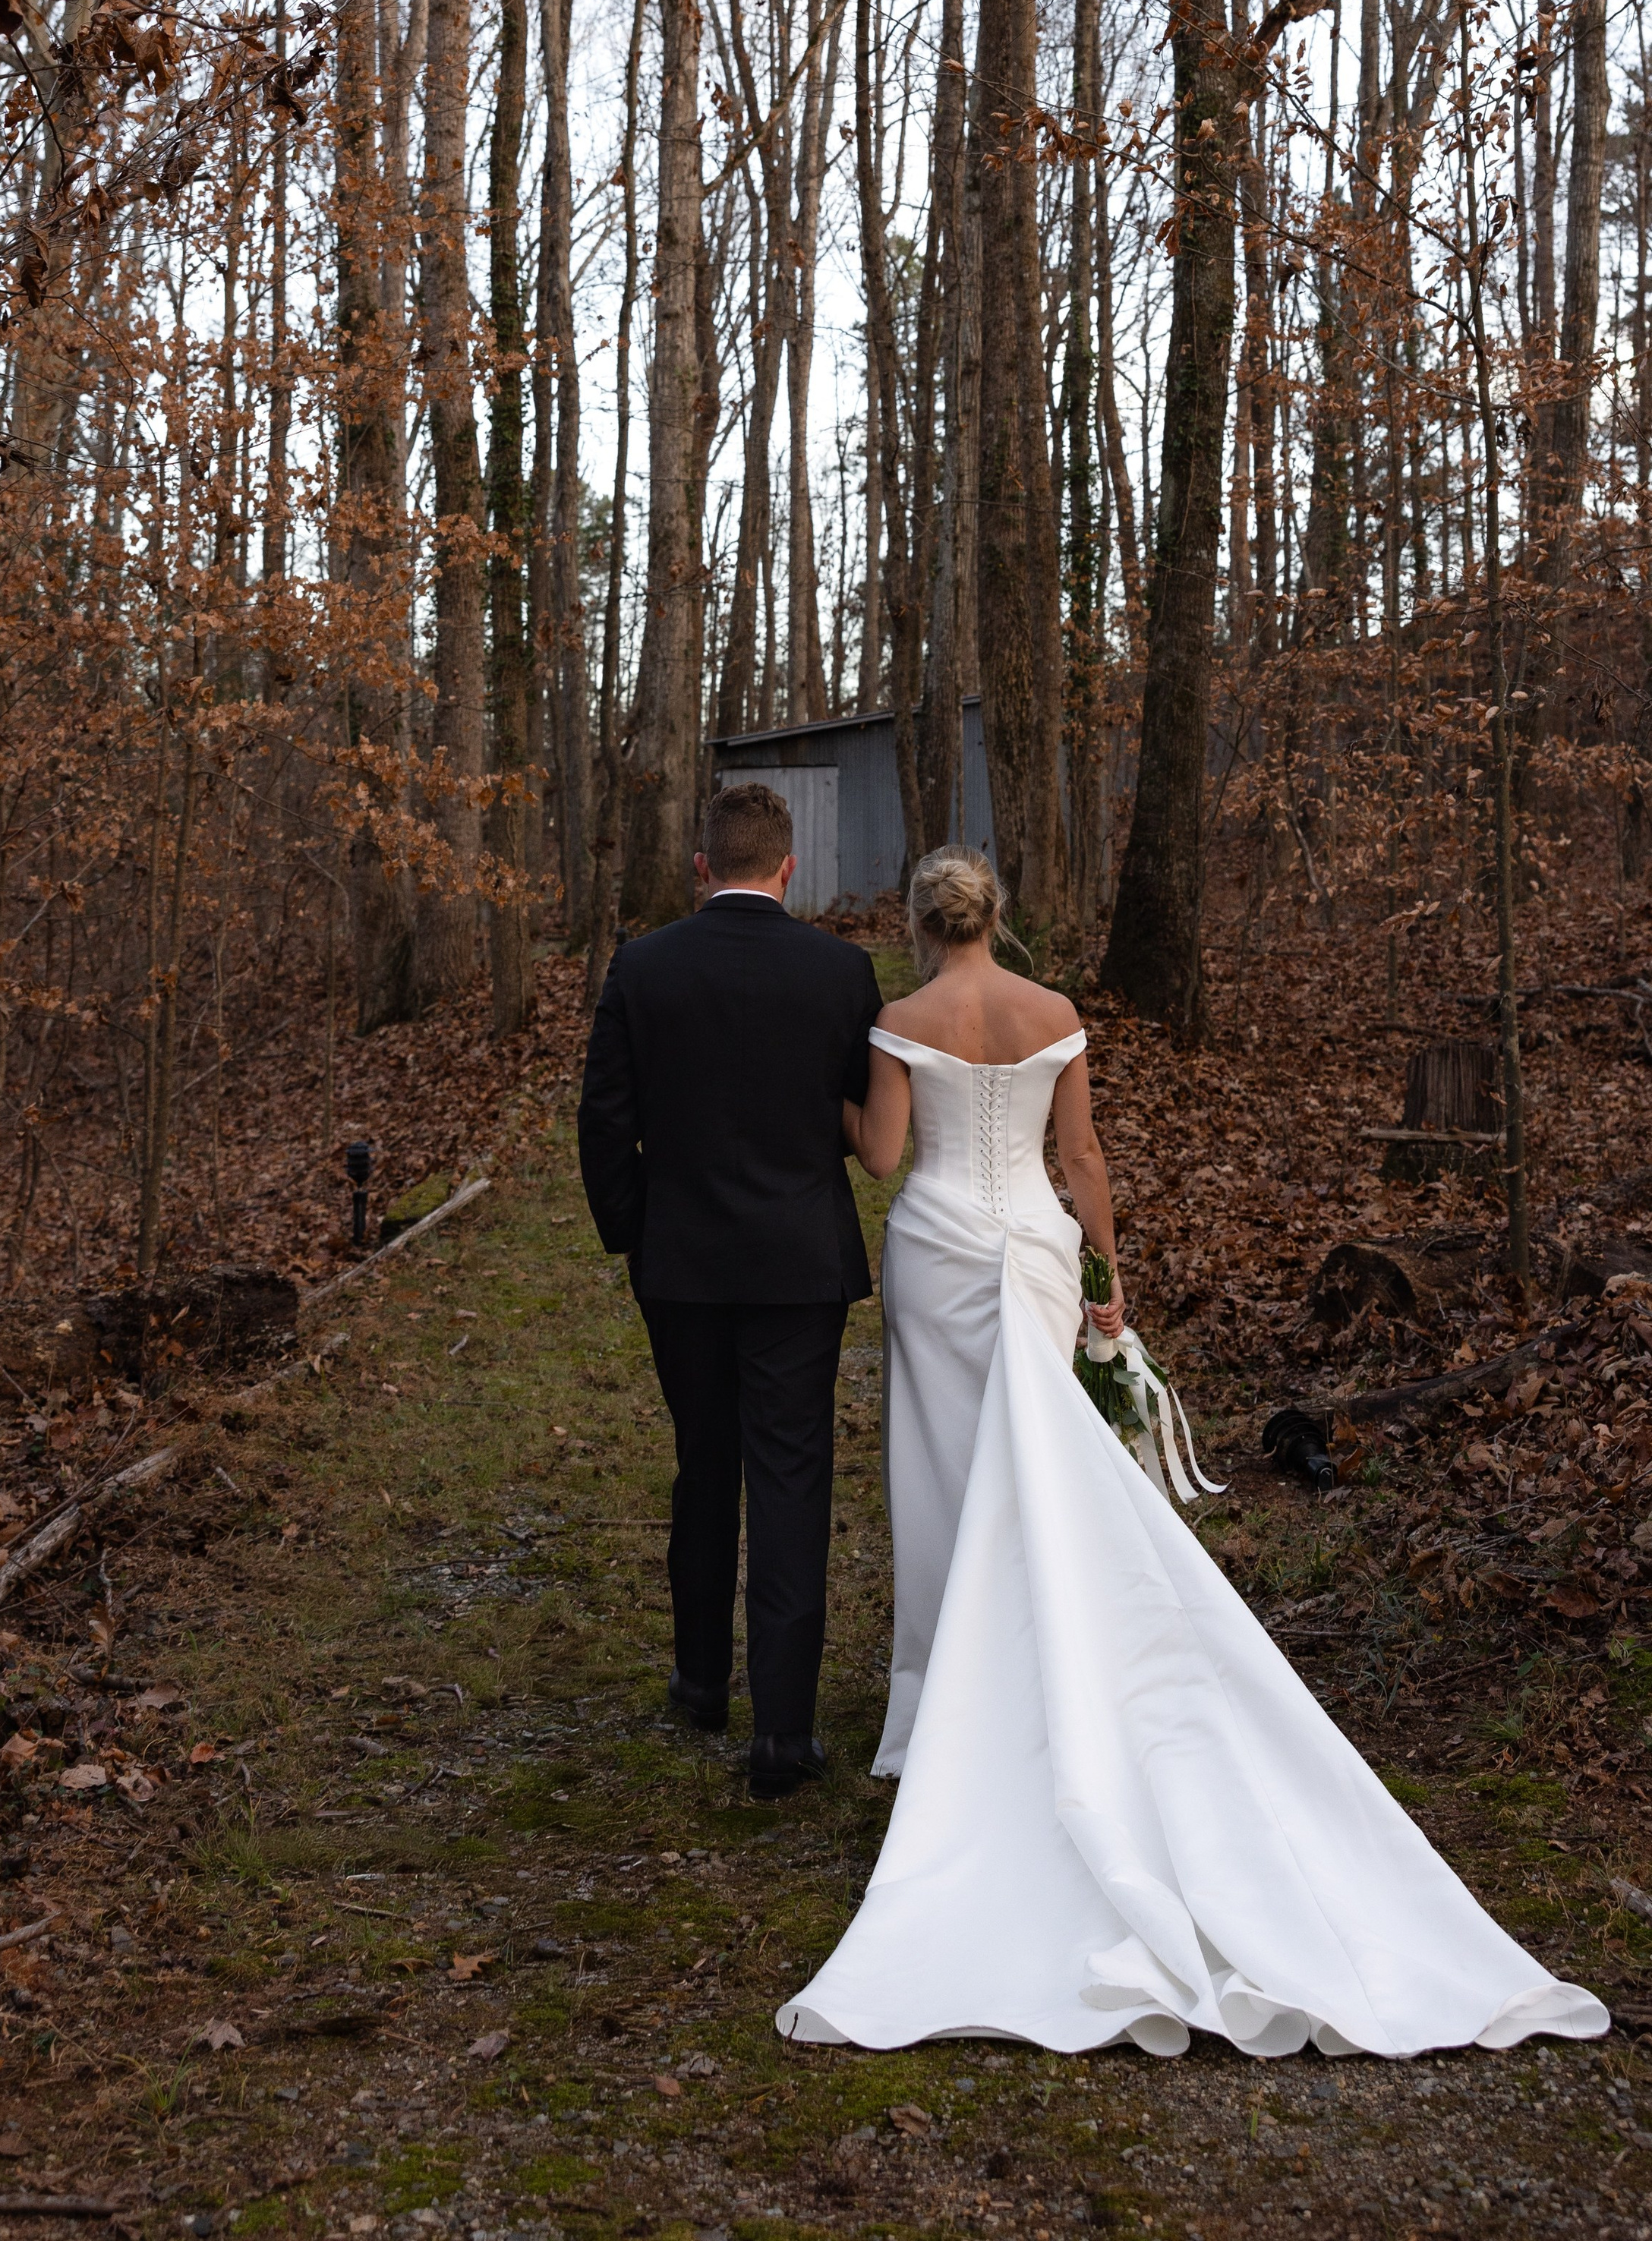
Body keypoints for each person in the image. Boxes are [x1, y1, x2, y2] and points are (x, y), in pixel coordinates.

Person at [779, 843, 1606, 2060]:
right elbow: (1084, 1163)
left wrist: (832, 1096)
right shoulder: (1055, 1011)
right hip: (1035, 1255)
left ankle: (939, 1709)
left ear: (916, 922)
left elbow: (886, 1158)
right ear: (997, 914)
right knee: (1043, 1470)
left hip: (941, 1256)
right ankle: (1044, 1661)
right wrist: (1106, 1285)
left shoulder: (899, 1019)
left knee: (951, 1473)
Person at [577, 780, 882, 1800]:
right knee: (791, 1480)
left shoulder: (643, 966)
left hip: (686, 1262)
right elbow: (856, 1113)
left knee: (704, 1460)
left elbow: (602, 1119)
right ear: (789, 869)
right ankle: (782, 1737)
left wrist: (636, 1231)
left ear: (702, 866)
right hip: (799, 1262)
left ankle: (703, 1680)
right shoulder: (842, 973)